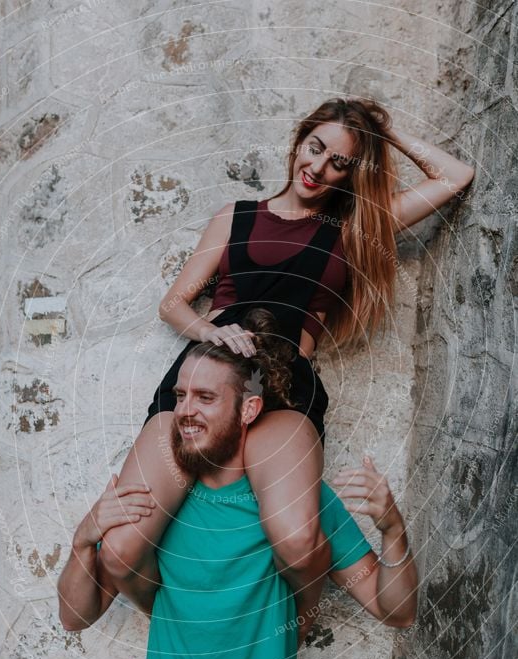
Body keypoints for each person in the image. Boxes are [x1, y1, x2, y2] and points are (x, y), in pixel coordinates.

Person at [97, 96, 473, 618]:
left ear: (351, 172)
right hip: (205, 379)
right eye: (314, 148)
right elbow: (173, 305)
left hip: (284, 389)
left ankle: (295, 620)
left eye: (338, 162)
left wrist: (384, 138)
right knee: (121, 551)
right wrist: (214, 330)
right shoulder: (236, 217)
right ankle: (179, 622)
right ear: (298, 141)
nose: (317, 167)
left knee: (297, 545)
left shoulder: (354, 229)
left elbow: (455, 176)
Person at [58, 315, 418, 659]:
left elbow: (396, 609)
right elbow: (74, 615)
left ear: (248, 409)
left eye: (206, 398)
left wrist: (393, 530)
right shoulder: (154, 508)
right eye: (181, 395)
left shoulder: (301, 504)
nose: (185, 411)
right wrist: (84, 538)